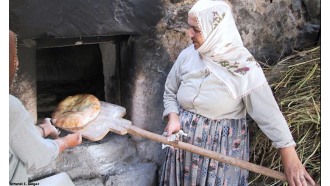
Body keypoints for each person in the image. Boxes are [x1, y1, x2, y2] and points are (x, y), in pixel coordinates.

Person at [160, 1, 315, 186]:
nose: (189, 34)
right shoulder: (188, 55)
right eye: (189, 27)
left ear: (214, 30)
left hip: (219, 155)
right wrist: (173, 117)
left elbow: (269, 114)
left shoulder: (243, 67)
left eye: (196, 29)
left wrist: (291, 161)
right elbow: (170, 91)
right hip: (182, 151)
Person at [9, 30, 83, 185]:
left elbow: (12, 135)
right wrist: (65, 142)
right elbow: (37, 156)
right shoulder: (9, 105)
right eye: (14, 57)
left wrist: (43, 129)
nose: (17, 64)